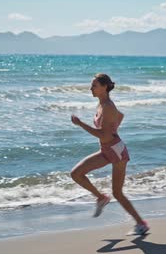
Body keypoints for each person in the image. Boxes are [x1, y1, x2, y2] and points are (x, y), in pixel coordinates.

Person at [70, 73, 149, 236]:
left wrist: (80, 124)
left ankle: (141, 224)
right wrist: (113, 129)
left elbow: (104, 136)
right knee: (76, 174)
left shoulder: (107, 107)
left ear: (104, 87)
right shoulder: (102, 104)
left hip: (116, 151)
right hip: (107, 150)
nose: (91, 88)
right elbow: (120, 116)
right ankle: (100, 198)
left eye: (94, 85)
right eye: (91, 85)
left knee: (117, 193)